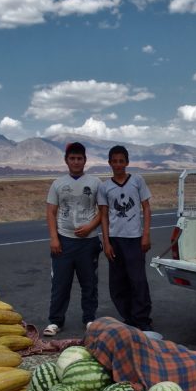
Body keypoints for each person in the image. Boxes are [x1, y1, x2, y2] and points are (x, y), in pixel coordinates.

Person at [43, 142, 101, 336]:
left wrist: (91, 227)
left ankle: (90, 319)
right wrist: (54, 238)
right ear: (66, 161)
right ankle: (55, 321)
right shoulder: (58, 184)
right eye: (72, 158)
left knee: (89, 283)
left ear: (85, 160)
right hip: (64, 241)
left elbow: (103, 211)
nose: (76, 162)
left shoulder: (95, 183)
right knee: (60, 283)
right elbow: (51, 212)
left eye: (79, 158)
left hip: (89, 241)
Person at [97, 145, 153, 331]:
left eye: (122, 161)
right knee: (118, 283)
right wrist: (106, 242)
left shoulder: (137, 180)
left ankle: (142, 320)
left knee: (137, 280)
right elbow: (104, 216)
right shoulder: (105, 187)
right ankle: (129, 317)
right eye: (115, 161)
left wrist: (145, 234)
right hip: (115, 240)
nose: (118, 164)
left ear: (127, 163)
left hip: (134, 238)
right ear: (110, 163)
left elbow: (146, 208)